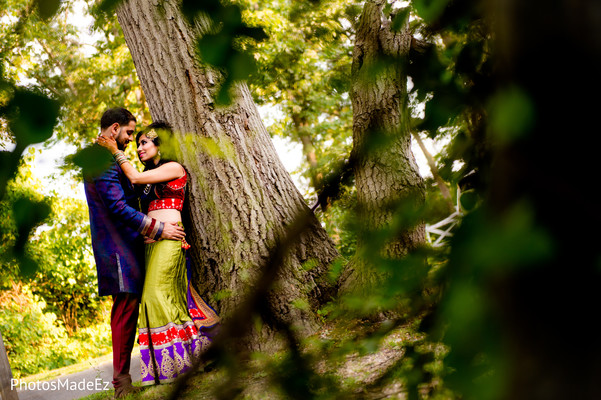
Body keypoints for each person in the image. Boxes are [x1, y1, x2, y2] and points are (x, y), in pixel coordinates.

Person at [98, 121, 220, 386]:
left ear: (160, 144)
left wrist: (114, 151)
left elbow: (134, 177)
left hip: (170, 238)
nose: (140, 147)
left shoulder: (173, 167)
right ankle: (180, 365)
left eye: (144, 142)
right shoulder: (149, 176)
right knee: (161, 300)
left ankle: (191, 360)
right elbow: (135, 193)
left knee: (153, 295)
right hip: (151, 242)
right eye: (138, 142)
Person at [83, 108, 186, 398]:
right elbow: (116, 207)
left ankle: (169, 361)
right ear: (114, 128)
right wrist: (158, 229)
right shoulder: (101, 159)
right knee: (125, 309)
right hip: (116, 245)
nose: (132, 139)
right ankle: (122, 383)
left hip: (132, 242)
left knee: (135, 306)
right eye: (129, 133)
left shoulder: (110, 156)